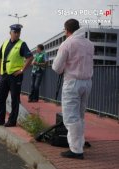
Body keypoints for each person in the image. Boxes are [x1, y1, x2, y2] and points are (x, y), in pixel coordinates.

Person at [52, 19, 94, 159]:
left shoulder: (67, 43)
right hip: (87, 82)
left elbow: (57, 68)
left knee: (70, 117)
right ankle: (79, 144)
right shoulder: (89, 44)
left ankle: (76, 150)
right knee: (80, 115)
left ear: (67, 30)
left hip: (72, 83)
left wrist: (65, 67)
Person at [0, 24, 33, 127]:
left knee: (14, 98)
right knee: (0, 96)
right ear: (10, 33)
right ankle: (0, 119)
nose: (17, 34)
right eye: (15, 32)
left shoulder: (22, 44)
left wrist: (22, 70)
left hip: (15, 76)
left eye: (19, 32)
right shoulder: (5, 43)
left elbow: (30, 57)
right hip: (5, 75)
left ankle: (12, 121)